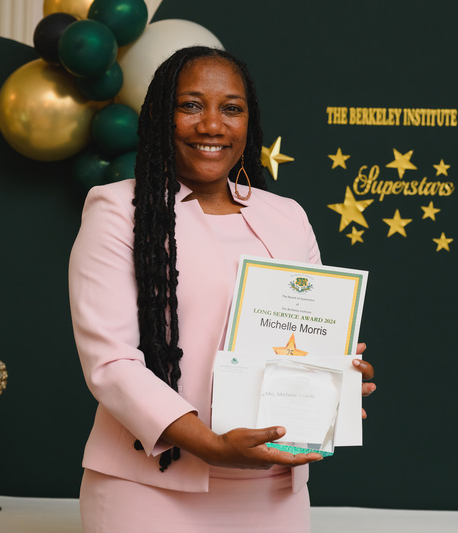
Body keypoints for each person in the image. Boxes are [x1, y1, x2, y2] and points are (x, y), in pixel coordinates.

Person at [68, 46, 375, 533]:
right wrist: (211, 444)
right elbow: (111, 363)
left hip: (275, 491)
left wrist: (337, 373)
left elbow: (311, 337)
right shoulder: (118, 211)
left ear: (249, 122)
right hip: (149, 488)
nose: (212, 125)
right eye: (191, 105)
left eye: (231, 108)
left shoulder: (287, 216)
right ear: (159, 117)